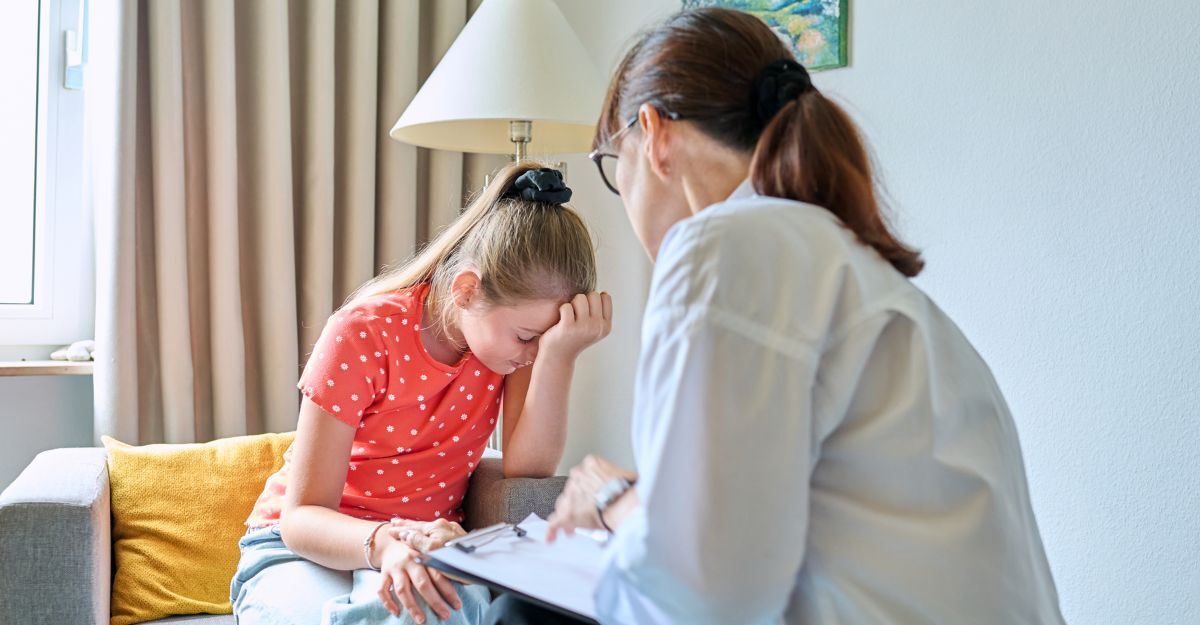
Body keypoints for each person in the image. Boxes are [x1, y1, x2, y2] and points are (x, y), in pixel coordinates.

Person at [477, 8, 1065, 625]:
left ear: (654, 135)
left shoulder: (726, 248)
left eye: (613, 165)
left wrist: (610, 498)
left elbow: (703, 599)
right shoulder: (838, 263)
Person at [230, 162, 614, 625]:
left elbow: (527, 468)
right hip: (310, 545)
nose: (532, 353)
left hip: (424, 542)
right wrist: (383, 543)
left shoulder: (507, 353)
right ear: (467, 291)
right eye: (528, 337)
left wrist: (560, 354)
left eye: (545, 341)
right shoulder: (363, 334)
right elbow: (302, 517)